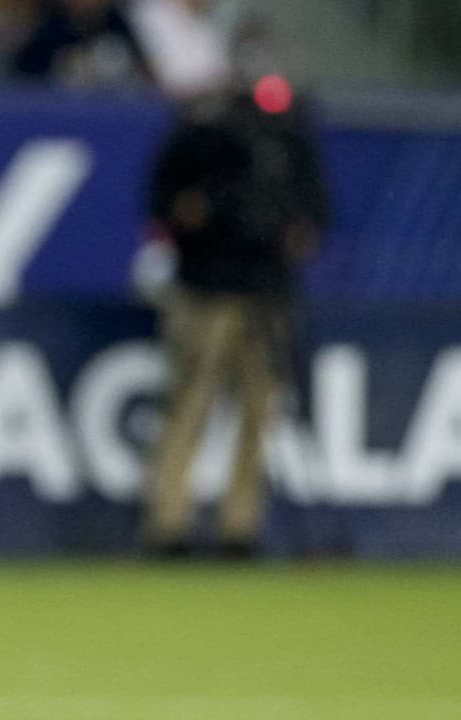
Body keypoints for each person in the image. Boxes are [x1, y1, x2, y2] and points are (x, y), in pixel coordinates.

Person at [141, 78, 329, 559]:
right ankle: (169, 524)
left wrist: (297, 231)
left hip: (266, 293)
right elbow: (162, 203)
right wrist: (193, 213)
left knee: (259, 410)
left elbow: (316, 210)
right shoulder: (203, 133)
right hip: (206, 290)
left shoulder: (288, 136)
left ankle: (239, 528)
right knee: (189, 403)